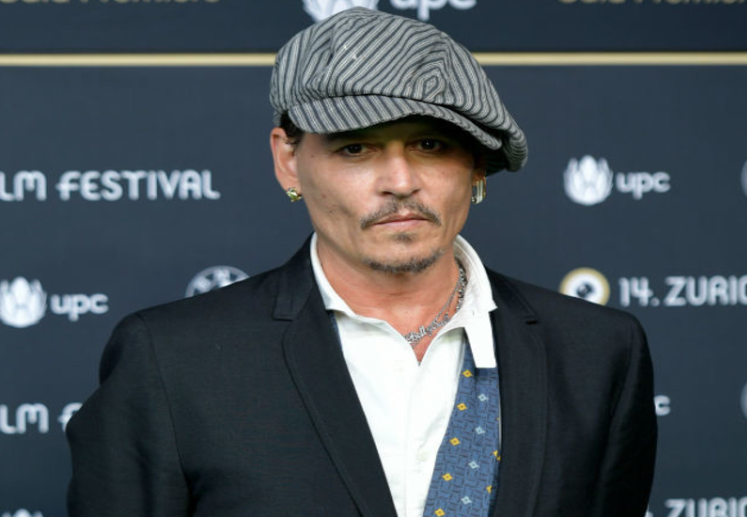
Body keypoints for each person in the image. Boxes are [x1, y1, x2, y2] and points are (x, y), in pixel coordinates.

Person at [66, 7, 656, 517]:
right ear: (289, 161)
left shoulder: (597, 353)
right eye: (356, 147)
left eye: (430, 144)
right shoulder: (171, 360)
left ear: (477, 163)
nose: (400, 181)